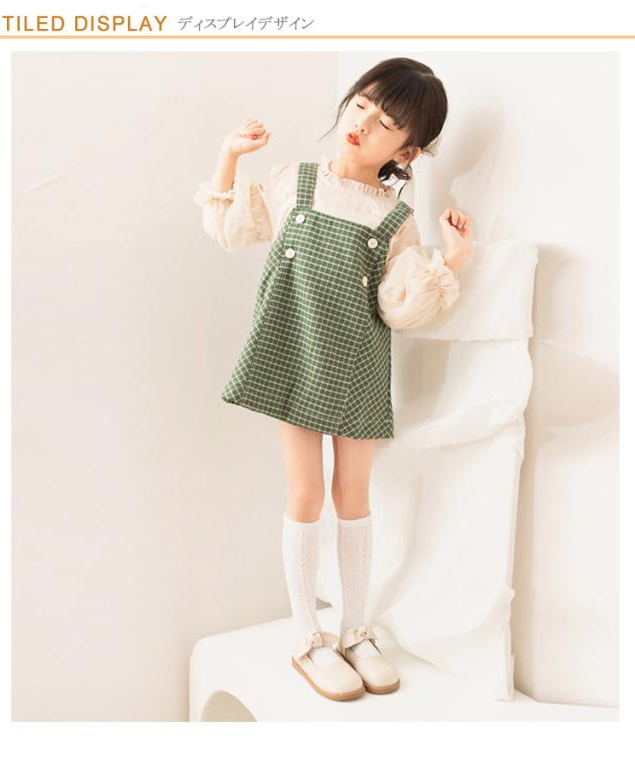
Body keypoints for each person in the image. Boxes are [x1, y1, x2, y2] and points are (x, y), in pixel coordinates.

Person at [193, 57, 472, 702]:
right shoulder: (294, 181)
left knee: (355, 495)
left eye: (388, 123)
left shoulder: (395, 218)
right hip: (294, 352)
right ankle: (306, 637)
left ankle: (355, 631)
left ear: (410, 151)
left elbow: (398, 307)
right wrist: (229, 156)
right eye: (363, 104)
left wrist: (451, 261)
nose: (365, 123)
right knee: (306, 491)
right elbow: (232, 229)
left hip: (359, 364)